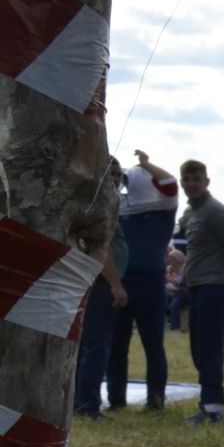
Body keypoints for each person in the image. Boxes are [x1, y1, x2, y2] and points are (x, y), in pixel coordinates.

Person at [177, 159, 224, 423]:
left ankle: (213, 408)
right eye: (187, 179)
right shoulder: (192, 212)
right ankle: (208, 402)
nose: (192, 184)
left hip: (215, 287)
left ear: (207, 182)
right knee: (199, 348)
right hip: (197, 287)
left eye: (197, 179)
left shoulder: (215, 210)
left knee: (209, 348)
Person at [110, 148, 177, 411]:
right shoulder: (118, 206)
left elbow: (170, 184)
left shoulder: (164, 206)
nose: (125, 185)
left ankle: (156, 399)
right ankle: (116, 399)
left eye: (127, 180)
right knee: (117, 344)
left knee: (153, 344)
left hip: (149, 281)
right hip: (123, 280)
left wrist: (147, 165)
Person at [74, 175, 130, 420]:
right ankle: (87, 405)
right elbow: (101, 247)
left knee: (86, 346)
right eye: (111, 174)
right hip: (100, 283)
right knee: (96, 347)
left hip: (89, 283)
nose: (116, 180)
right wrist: (115, 284)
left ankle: (79, 402)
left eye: (119, 175)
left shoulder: (90, 203)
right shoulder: (100, 207)